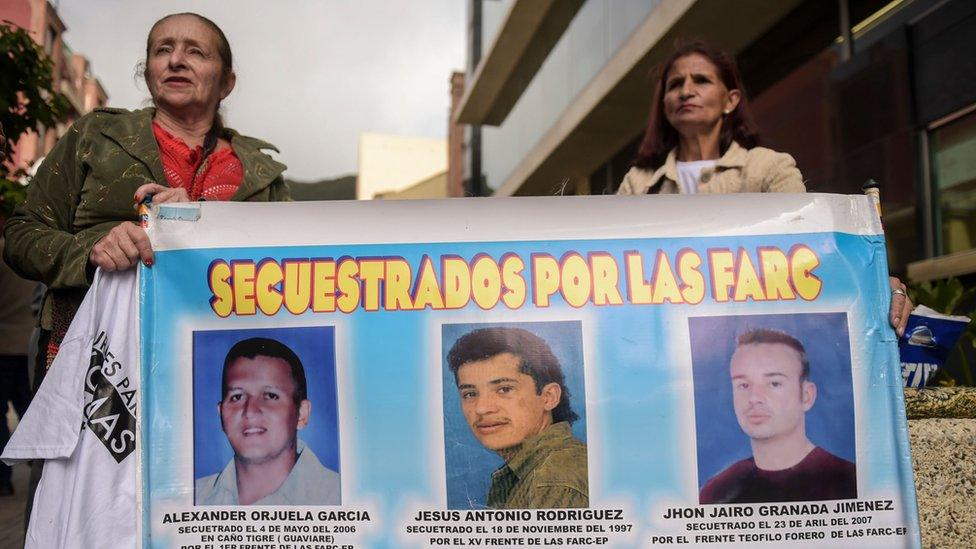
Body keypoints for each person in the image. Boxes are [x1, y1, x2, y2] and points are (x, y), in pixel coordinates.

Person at [2, 12, 289, 376]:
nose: (176, 60)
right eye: (162, 49)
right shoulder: (95, 137)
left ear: (226, 83)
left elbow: (290, 271)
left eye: (196, 52)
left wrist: (206, 225)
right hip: (94, 365)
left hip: (210, 371)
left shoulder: (262, 174)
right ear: (148, 70)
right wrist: (91, 250)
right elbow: (21, 235)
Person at [616, 40, 912, 336]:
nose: (685, 91)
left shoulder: (770, 168)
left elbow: (808, 249)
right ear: (665, 105)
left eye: (701, 80)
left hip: (750, 332)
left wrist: (871, 281)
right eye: (675, 84)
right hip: (661, 336)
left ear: (730, 100)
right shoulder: (638, 182)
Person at [699, 328, 856, 504]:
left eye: (774, 383)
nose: (754, 398)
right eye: (743, 385)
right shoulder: (714, 493)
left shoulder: (852, 483)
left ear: (806, 395)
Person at [446, 327, 588, 509]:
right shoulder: (528, 473)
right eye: (470, 393)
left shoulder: (555, 480)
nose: (481, 408)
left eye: (504, 389)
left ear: (549, 397)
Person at [195, 337, 340, 505]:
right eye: (237, 397)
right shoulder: (193, 499)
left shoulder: (342, 497)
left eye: (271, 396)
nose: (250, 411)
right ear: (221, 414)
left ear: (301, 413)